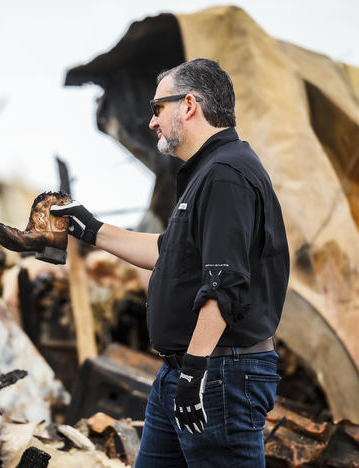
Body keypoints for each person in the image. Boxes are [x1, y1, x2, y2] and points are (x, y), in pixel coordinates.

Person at [50, 58, 290, 467]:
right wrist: (91, 229)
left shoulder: (226, 175)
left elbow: (223, 283)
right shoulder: (206, 173)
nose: (152, 122)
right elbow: (171, 253)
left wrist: (194, 373)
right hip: (183, 373)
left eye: (158, 108)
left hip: (218, 375)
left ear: (189, 105)